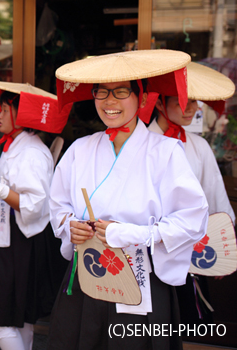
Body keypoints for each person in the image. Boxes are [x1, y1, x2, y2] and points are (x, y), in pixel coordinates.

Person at [48, 50, 209, 350]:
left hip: (140, 277)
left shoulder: (166, 152)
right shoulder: (79, 150)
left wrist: (130, 233)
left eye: (121, 92)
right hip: (89, 273)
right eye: (102, 93)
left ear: (142, 97)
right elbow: (57, 206)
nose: (110, 102)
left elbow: (192, 219)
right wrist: (70, 226)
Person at [0, 82, 66, 350]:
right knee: (19, 317)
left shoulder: (32, 152)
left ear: (21, 114)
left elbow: (34, 203)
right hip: (9, 237)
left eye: (3, 109)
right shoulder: (16, 146)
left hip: (18, 243)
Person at [147, 61, 236, 326]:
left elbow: (215, 198)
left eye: (195, 101)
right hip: (148, 247)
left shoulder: (199, 146)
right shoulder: (140, 145)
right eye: (183, 101)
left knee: (185, 320)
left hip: (190, 249)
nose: (193, 109)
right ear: (160, 103)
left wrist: (221, 249)